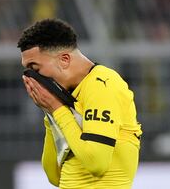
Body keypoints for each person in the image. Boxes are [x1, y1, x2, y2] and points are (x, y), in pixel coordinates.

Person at [17, 19, 142, 189]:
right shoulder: (65, 99)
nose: (31, 78)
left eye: (35, 68)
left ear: (64, 60)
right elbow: (54, 176)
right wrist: (51, 113)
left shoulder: (102, 84)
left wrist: (58, 110)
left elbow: (97, 163)